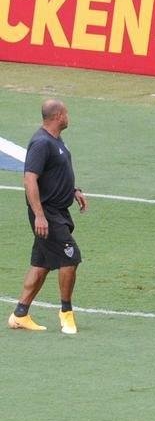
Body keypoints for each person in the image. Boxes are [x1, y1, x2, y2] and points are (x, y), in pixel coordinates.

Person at [8, 99, 87, 335]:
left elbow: (55, 174)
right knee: (70, 258)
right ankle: (66, 312)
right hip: (48, 214)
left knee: (40, 264)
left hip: (58, 211)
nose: (68, 117)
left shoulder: (55, 140)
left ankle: (20, 314)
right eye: (66, 113)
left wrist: (73, 190)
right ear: (58, 116)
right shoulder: (41, 143)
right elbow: (30, 179)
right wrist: (39, 216)